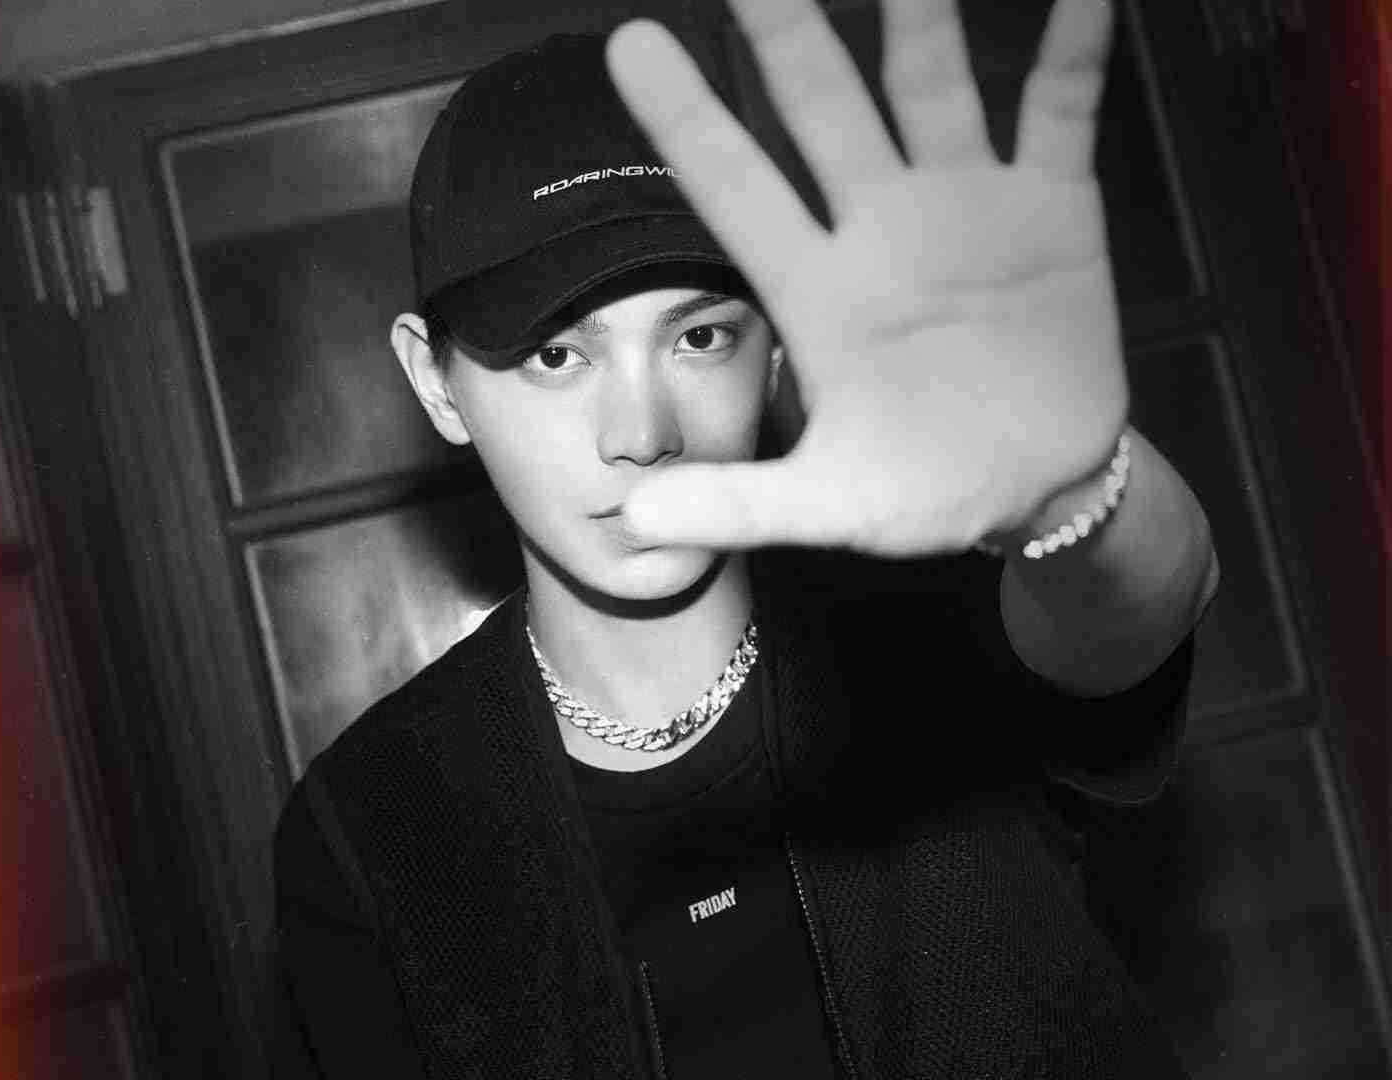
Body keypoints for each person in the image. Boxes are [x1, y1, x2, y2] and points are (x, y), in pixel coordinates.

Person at [274, 0, 1221, 1076]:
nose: (642, 435)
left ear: (774, 350)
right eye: (556, 356)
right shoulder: (371, 826)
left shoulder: (926, 634)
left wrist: (1065, 487)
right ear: (436, 383)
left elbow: (1149, 601)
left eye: (700, 336)